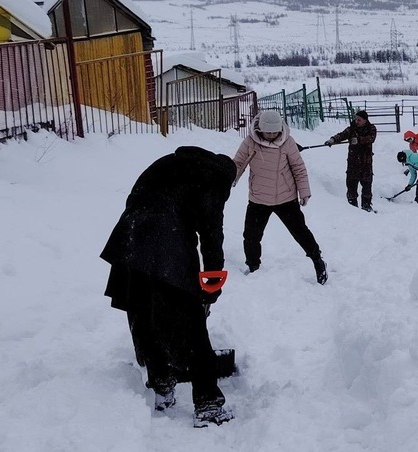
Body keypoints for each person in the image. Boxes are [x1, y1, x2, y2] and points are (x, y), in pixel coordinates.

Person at [100, 146, 235, 428]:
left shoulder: (171, 162)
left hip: (130, 237)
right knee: (193, 327)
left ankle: (162, 384)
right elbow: (212, 239)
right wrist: (210, 290)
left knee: (143, 314)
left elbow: (135, 195)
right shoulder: (214, 180)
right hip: (166, 246)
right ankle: (208, 404)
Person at [233, 110, 327, 285]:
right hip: (258, 198)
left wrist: (304, 191)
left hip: (286, 198)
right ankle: (253, 266)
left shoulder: (287, 143)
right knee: (251, 236)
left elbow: (298, 168)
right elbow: (238, 163)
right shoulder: (249, 142)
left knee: (300, 232)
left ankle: (317, 260)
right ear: (260, 129)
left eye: (274, 132)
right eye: (268, 132)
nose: (271, 135)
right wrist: (231, 178)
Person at [324, 110, 377, 212]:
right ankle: (352, 209)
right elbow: (342, 135)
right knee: (351, 186)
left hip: (366, 164)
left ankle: (366, 207)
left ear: (365, 120)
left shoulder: (371, 129)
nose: (356, 121)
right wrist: (333, 139)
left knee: (366, 186)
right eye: (356, 119)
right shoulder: (351, 129)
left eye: (359, 120)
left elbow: (371, 138)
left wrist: (358, 140)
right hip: (353, 163)